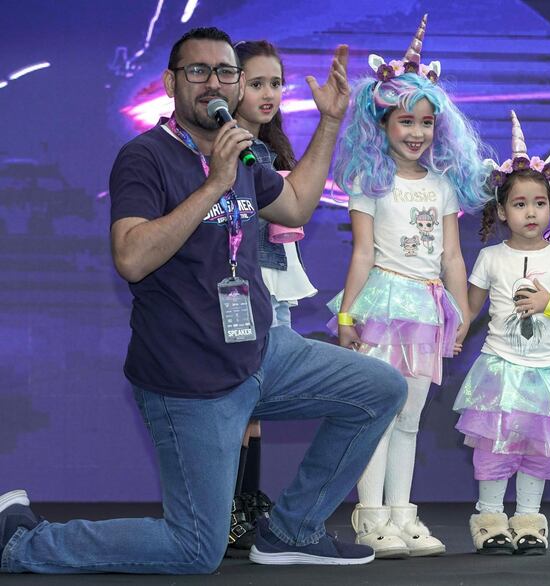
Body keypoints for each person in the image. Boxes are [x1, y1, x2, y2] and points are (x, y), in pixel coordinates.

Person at [0, 26, 407, 574]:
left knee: (380, 388)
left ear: (237, 86)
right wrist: (215, 182)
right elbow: (131, 257)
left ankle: (292, 530)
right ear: (171, 82)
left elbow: (294, 209)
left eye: (225, 72)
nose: (212, 82)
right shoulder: (145, 157)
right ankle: (21, 540)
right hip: (189, 383)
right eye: (198, 71)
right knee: (194, 551)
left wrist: (331, 120)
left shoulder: (240, 147)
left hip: (261, 354)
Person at [328, 15, 488, 558]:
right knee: (377, 409)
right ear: (382, 124)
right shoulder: (367, 181)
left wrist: (463, 308)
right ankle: (369, 517)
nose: (416, 132)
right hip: (381, 302)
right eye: (404, 122)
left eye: (425, 122)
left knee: (410, 418)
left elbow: (451, 254)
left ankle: (402, 514)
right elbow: (362, 252)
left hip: (426, 307)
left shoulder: (442, 185)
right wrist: (347, 317)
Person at [453, 111, 550, 555]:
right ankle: (490, 519)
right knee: (496, 447)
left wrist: (548, 303)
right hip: (501, 368)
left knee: (538, 447)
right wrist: (456, 331)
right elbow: (472, 305)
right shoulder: (491, 258)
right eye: (519, 204)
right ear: (501, 210)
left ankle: (530, 521)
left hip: (548, 371)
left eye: (539, 202)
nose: (530, 212)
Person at [223, 39, 319, 557]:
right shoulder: (227, 148)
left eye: (275, 84)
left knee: (258, 399)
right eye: (256, 83)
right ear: (232, 85)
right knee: (239, 395)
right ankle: (229, 505)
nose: (268, 93)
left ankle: (248, 501)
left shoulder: (272, 149)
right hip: (242, 284)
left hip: (274, 283)